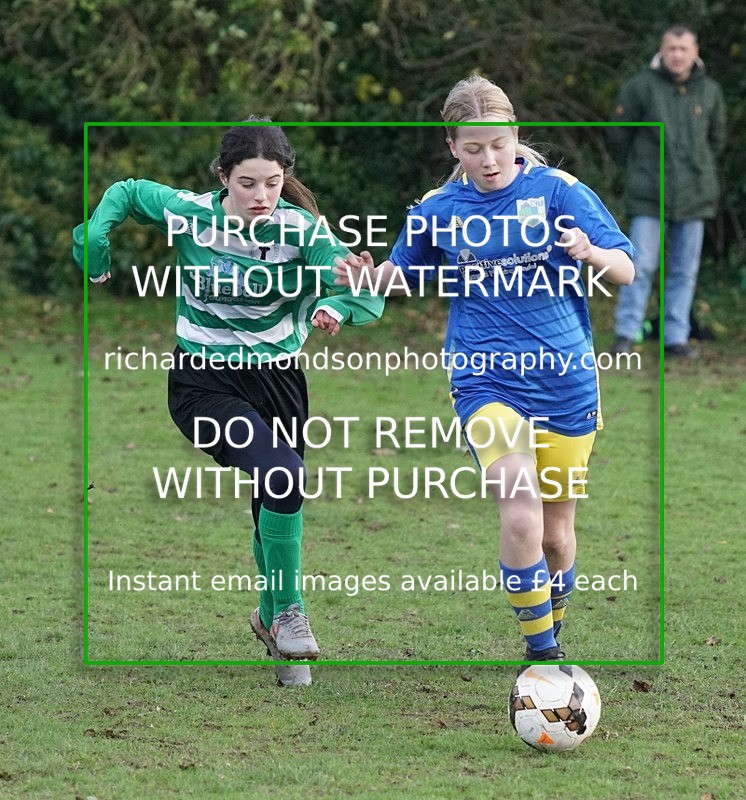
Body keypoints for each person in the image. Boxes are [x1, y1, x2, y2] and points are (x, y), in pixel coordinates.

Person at [335, 75, 634, 664]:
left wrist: (589, 253)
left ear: (515, 135)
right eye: (473, 148)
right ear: (453, 147)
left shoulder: (560, 192)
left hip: (566, 382)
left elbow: (624, 269)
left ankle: (553, 630)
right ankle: (542, 660)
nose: (488, 159)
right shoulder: (439, 209)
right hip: (485, 379)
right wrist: (368, 277)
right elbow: (403, 272)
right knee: (518, 507)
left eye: (498, 144)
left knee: (554, 534)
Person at [73, 121, 384, 686]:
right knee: (284, 473)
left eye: (272, 182)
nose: (261, 196)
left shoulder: (303, 230)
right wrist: (94, 241)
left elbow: (360, 292)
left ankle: (271, 620)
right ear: (223, 178)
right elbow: (125, 191)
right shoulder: (192, 214)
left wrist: (341, 302)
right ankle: (290, 614)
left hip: (279, 381)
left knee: (274, 491)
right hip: (203, 383)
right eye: (247, 183)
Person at [609, 24, 726, 359]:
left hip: (695, 196)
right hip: (649, 195)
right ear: (662, 51)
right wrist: (641, 170)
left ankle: (676, 337)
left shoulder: (711, 92)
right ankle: (625, 335)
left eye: (683, 49)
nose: (677, 55)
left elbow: (716, 140)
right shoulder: (640, 87)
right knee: (640, 265)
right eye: (671, 48)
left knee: (684, 271)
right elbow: (618, 136)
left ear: (695, 53)